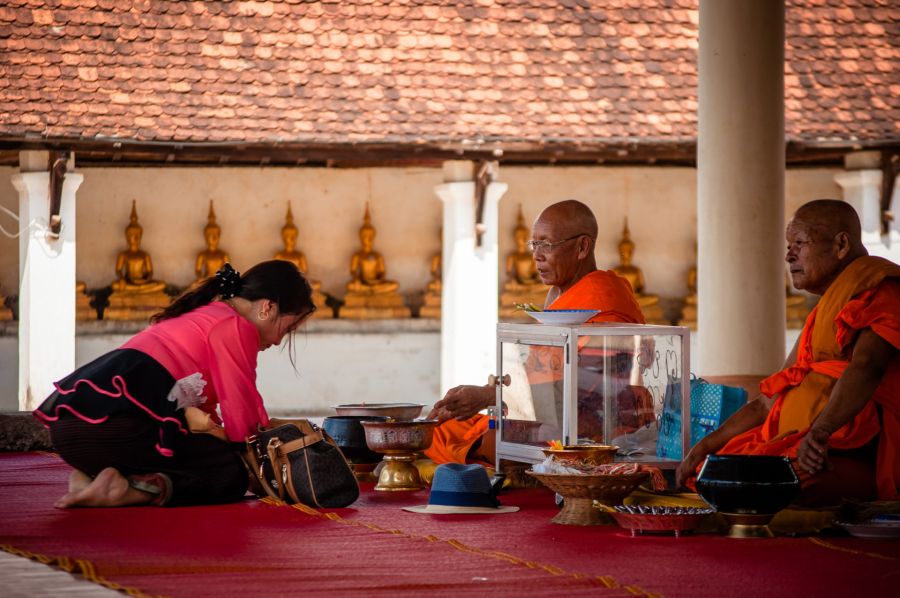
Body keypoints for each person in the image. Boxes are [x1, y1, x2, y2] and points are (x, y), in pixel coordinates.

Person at [34, 260, 316, 508]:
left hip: (72, 435)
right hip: (116, 429)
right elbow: (240, 411)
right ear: (268, 307)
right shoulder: (236, 326)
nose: (279, 340)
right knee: (230, 473)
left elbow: (211, 411)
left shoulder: (204, 315)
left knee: (213, 455)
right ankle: (132, 489)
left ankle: (94, 478)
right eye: (288, 328)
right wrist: (260, 463)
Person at [676, 199, 900, 505]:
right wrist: (703, 446)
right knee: (711, 470)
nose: (788, 254)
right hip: (795, 442)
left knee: (764, 486)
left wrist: (820, 433)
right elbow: (769, 400)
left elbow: (867, 366)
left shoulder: (883, 290)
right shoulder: (826, 310)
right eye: (788, 244)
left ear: (841, 244)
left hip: (839, 450)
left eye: (799, 242)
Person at [425, 199, 646, 465]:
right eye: (534, 244)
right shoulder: (559, 294)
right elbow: (541, 372)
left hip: (589, 429)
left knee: (460, 440)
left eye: (546, 245)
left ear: (582, 247)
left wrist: (490, 395)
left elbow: (585, 393)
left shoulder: (604, 301)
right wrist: (494, 392)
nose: (536, 255)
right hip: (543, 416)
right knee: (436, 426)